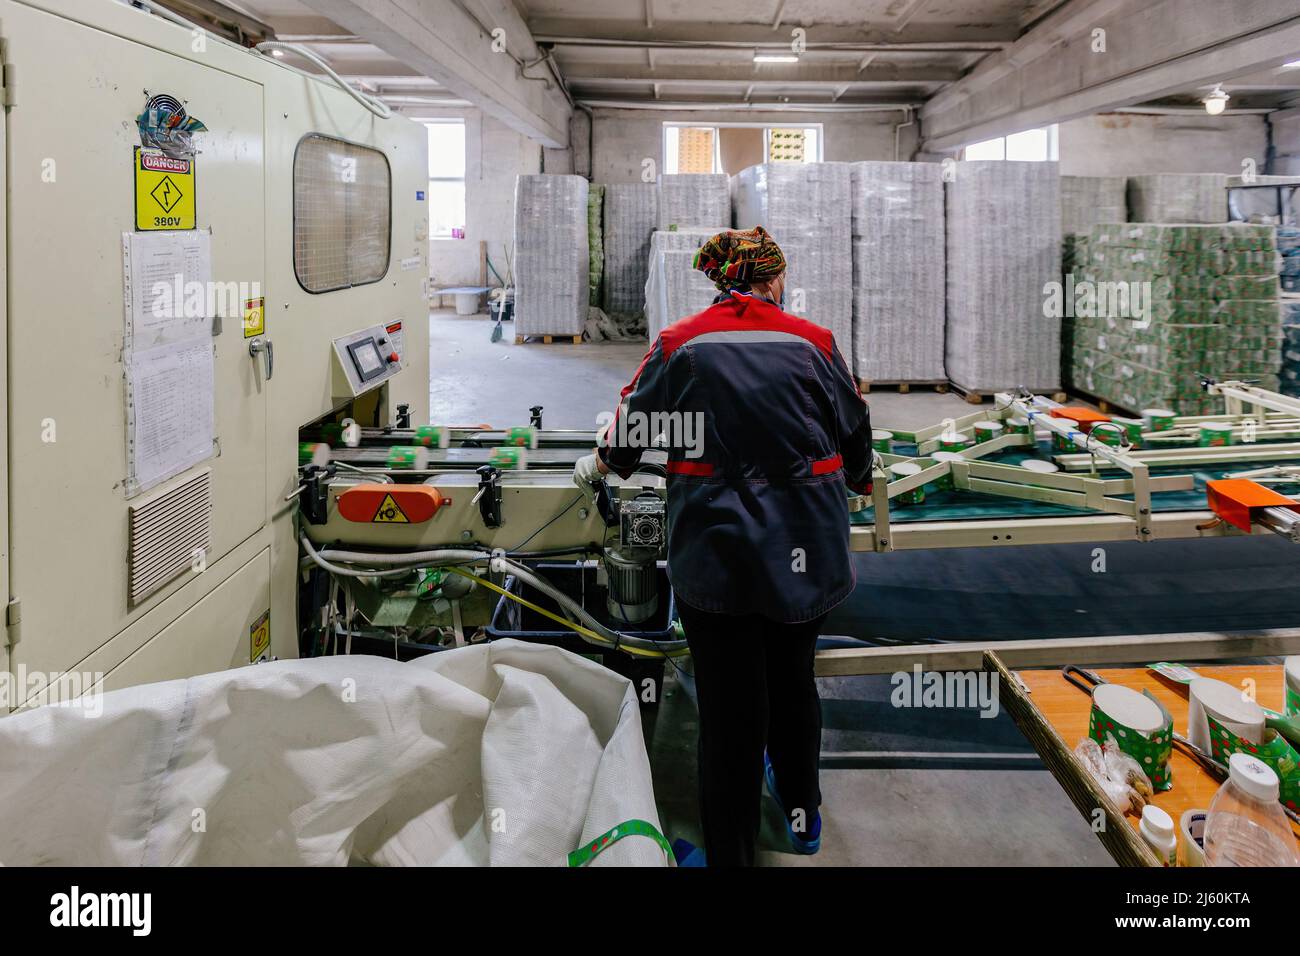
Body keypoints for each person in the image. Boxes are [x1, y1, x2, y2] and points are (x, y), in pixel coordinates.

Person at [572, 226, 874, 867]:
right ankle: (802, 819)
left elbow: (630, 435)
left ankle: (730, 857)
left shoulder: (682, 344)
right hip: (807, 551)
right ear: (775, 280)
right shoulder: (814, 342)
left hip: (721, 556)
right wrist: (857, 480)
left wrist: (599, 465)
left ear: (719, 281)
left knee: (732, 710)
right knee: (794, 684)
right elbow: (855, 434)